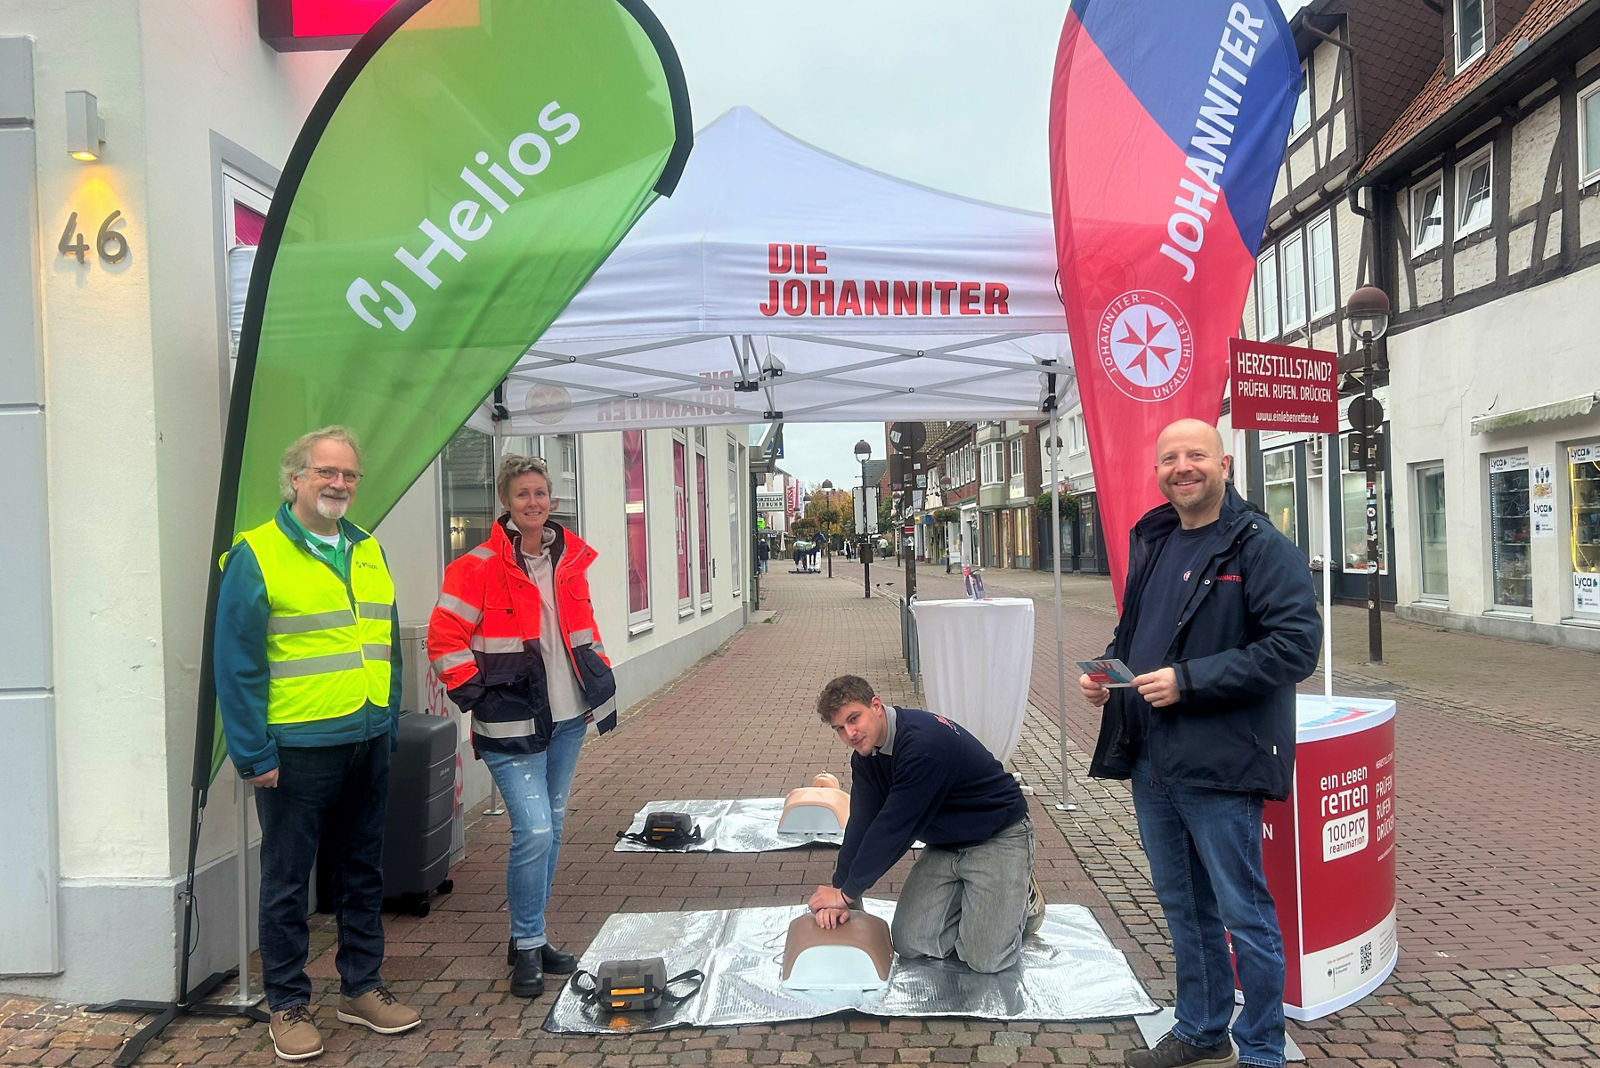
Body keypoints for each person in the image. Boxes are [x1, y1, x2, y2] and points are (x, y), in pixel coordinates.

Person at [1080, 419, 1319, 1068]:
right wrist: (1109, 673)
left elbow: (1297, 648)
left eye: (1195, 455)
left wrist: (1189, 682)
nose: (1182, 467)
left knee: (1245, 916)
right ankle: (1201, 1027)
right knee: (1185, 910)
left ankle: (1263, 1050)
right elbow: (1139, 637)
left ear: (1225, 464)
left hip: (1221, 763)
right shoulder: (1154, 540)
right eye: (1169, 458)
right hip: (1153, 762)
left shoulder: (1260, 546)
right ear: (1156, 471)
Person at [215, 426, 421, 1062]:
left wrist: (387, 719)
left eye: (350, 475)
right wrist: (253, 752)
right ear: (296, 477)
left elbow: (381, 646)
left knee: (362, 871)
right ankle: (287, 1002)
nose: (339, 484)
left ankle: (360, 987)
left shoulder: (367, 549)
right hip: (297, 750)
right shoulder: (257, 552)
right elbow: (237, 662)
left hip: (365, 738)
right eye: (326, 472)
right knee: (287, 881)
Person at [427, 455, 618, 999]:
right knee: (532, 831)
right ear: (506, 504)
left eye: (540, 493)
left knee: (553, 829)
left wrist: (596, 687)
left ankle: (527, 937)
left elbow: (584, 634)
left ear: (551, 501)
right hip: (510, 722)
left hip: (567, 720)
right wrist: (477, 696)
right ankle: (529, 943)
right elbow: (444, 639)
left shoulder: (568, 562)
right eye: (521, 495)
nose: (533, 502)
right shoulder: (477, 566)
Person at [807, 675, 1044, 974]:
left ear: (876, 705)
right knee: (910, 943)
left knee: (985, 959)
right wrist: (840, 889)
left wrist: (846, 894)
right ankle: (978, 899)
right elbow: (862, 822)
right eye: (840, 728)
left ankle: (1025, 901)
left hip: (998, 837)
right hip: (946, 844)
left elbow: (894, 829)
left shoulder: (923, 746)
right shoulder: (866, 756)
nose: (850, 733)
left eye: (854, 719)